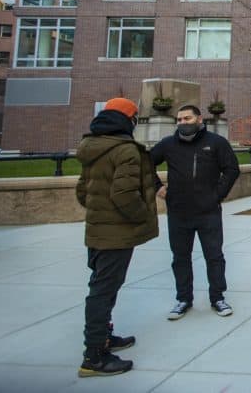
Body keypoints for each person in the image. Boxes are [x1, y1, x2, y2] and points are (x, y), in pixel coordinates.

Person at [75, 97, 158, 377]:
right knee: (103, 291)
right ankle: (94, 356)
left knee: (101, 286)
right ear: (129, 120)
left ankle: (104, 338)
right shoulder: (125, 151)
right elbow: (124, 195)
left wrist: (102, 213)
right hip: (117, 234)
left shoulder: (91, 148)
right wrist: (141, 216)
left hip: (96, 230)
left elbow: (82, 193)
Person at [151, 104, 240, 320]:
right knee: (180, 257)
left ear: (199, 120)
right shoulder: (168, 144)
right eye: (179, 120)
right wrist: (157, 187)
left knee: (214, 256)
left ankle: (217, 297)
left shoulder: (216, 143)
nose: (182, 123)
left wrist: (217, 195)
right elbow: (145, 164)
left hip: (208, 211)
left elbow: (231, 169)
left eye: (187, 119)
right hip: (178, 212)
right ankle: (183, 299)